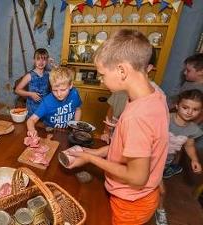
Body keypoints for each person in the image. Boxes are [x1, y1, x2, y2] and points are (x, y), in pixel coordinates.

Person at [66, 29, 169, 225]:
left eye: (102, 74)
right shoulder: (154, 95)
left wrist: (89, 158)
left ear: (122, 70)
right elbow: (130, 148)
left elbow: (137, 177)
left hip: (130, 203)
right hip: (142, 197)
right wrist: (96, 152)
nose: (102, 81)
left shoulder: (136, 116)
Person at [155, 89, 203, 225]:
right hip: (152, 160)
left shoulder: (193, 130)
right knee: (161, 190)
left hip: (166, 163)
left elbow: (189, 145)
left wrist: (194, 159)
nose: (189, 112)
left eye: (195, 109)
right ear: (177, 105)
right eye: (185, 107)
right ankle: (160, 210)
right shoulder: (165, 118)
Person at [101, 47, 157, 144]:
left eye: (103, 74)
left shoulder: (142, 112)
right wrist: (107, 131)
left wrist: (91, 157)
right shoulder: (120, 88)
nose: (101, 80)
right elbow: (111, 109)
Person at [26, 66, 81, 137]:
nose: (59, 94)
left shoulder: (74, 93)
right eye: (55, 90)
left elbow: (78, 109)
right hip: (50, 132)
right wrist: (31, 130)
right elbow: (31, 120)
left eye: (63, 90)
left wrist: (75, 126)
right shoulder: (47, 102)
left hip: (68, 130)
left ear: (71, 85)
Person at [15, 48, 51, 117]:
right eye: (38, 59)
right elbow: (17, 90)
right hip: (32, 109)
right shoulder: (29, 75)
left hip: (45, 108)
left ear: (47, 61)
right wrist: (31, 94)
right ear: (34, 60)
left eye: (43, 59)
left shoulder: (48, 74)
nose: (41, 62)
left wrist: (53, 65)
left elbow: (62, 77)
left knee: (42, 127)